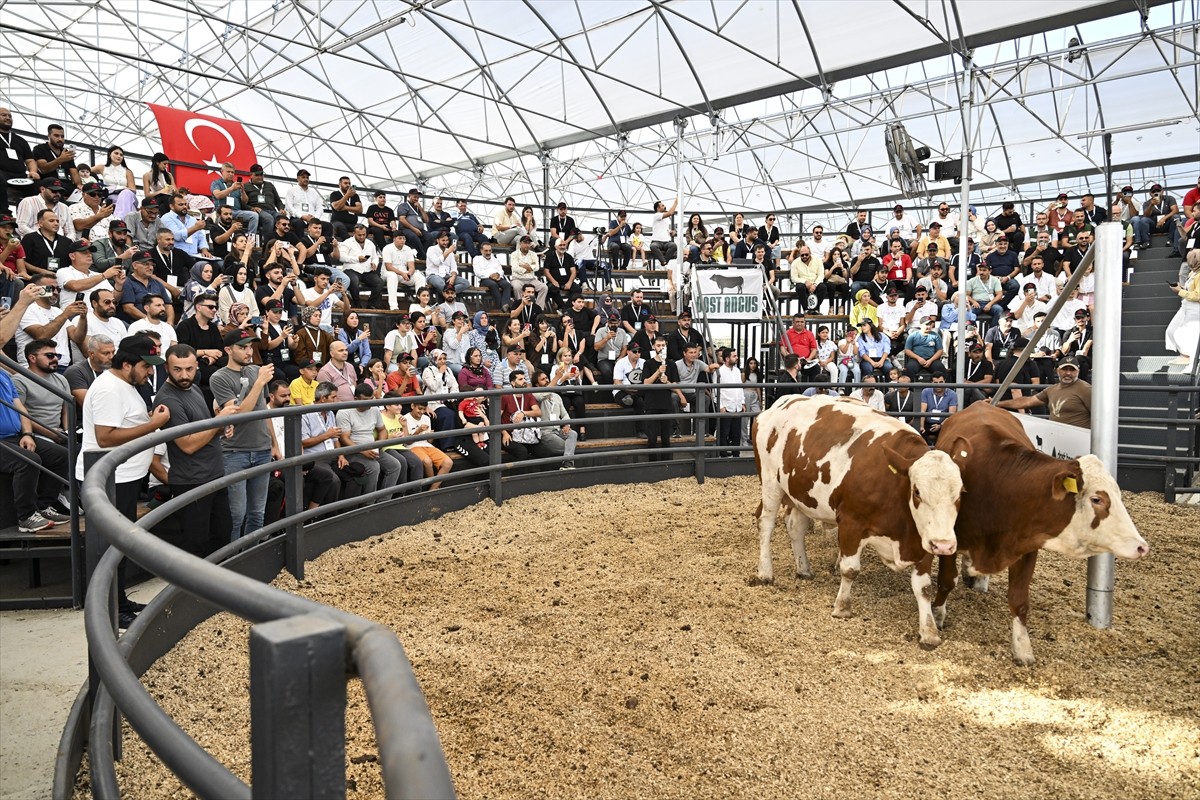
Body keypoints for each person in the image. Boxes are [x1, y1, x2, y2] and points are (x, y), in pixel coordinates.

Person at [76, 335, 171, 627]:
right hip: (111, 480)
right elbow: (105, 437)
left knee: (121, 544)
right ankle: (111, 608)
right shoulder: (108, 389)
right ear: (126, 363)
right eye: (146, 366)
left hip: (126, 478)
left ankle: (118, 600)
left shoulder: (126, 385)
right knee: (112, 545)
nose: (150, 372)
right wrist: (153, 425)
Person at [155, 344, 238, 557]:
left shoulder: (192, 387)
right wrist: (219, 420)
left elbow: (203, 428)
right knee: (196, 544)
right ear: (166, 368)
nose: (184, 375)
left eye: (189, 369)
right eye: (177, 369)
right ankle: (191, 590)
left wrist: (220, 429)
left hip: (213, 474)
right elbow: (187, 445)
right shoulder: (168, 399)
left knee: (221, 536)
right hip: (191, 480)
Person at [209, 329, 276, 540]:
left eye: (250, 347)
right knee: (236, 515)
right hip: (235, 452)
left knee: (257, 512)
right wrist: (258, 383)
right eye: (242, 347)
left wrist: (274, 443)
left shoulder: (256, 370)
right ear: (228, 350)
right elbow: (238, 414)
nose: (248, 352)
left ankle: (252, 555)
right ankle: (234, 560)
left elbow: (263, 409)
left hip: (262, 448)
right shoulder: (219, 377)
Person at [0, 353, 71, 534]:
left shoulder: (5, 375)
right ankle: (26, 516)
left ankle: (44, 506)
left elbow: (20, 408)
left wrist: (27, 433)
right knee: (28, 461)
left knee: (61, 455)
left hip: (16, 435)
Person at [337, 384, 405, 497]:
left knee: (395, 465)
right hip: (353, 450)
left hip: (373, 447)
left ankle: (384, 500)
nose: (369, 403)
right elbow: (344, 438)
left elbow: (382, 430)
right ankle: (368, 503)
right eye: (365, 400)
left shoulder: (374, 409)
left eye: (371, 399)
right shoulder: (344, 412)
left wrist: (379, 444)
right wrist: (363, 450)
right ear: (355, 399)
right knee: (374, 467)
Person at [15, 273, 87, 369]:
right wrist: (65, 314)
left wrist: (83, 317)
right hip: (34, 368)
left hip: (62, 366)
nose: (56, 292)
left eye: (58, 289)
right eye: (51, 288)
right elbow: (41, 336)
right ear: (36, 289)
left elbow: (77, 338)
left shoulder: (58, 311)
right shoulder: (27, 309)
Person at [998, 357, 1091, 428]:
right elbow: (1027, 401)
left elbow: (1101, 418)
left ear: (1078, 371)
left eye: (1072, 370)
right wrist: (997, 403)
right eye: (1065, 369)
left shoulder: (1086, 389)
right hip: (1056, 437)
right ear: (1057, 371)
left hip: (1079, 438)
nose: (1068, 373)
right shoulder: (1051, 390)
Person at [400, 400, 453, 488]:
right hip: (412, 446)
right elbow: (407, 442)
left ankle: (432, 489)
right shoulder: (405, 418)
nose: (421, 412)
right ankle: (434, 487)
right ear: (412, 406)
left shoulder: (426, 418)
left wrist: (431, 435)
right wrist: (418, 431)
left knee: (448, 462)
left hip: (427, 445)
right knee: (427, 461)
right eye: (419, 408)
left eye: (424, 409)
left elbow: (429, 441)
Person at [1165, 249, 1199, 367]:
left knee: (1186, 332)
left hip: (1195, 309)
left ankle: (1189, 357)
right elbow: (1190, 291)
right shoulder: (1193, 273)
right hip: (1186, 305)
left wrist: (1180, 291)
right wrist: (1181, 289)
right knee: (1171, 330)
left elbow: (1197, 296)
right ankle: (1184, 355)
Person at [713, 347, 744, 457]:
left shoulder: (737, 370)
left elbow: (740, 387)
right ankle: (723, 455)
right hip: (726, 406)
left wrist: (742, 402)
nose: (737, 358)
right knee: (724, 433)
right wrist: (721, 406)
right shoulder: (719, 372)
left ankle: (736, 455)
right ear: (727, 359)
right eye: (734, 356)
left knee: (736, 433)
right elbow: (715, 391)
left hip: (737, 406)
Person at [473, 241, 514, 311]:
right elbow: (477, 272)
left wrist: (498, 275)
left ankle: (505, 304)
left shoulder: (495, 260)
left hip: (497, 278)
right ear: (481, 250)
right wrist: (490, 275)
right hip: (485, 279)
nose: (488, 252)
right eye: (486, 251)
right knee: (493, 284)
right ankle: (500, 307)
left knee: (507, 284)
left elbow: (501, 271)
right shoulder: (477, 259)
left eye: (490, 250)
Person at [918, 374, 957, 444]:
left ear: (945, 381)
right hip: (927, 422)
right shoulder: (926, 391)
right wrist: (921, 426)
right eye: (935, 383)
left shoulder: (952, 394)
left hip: (944, 424)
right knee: (918, 438)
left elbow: (951, 414)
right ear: (931, 383)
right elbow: (922, 410)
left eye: (941, 382)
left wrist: (940, 425)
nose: (938, 385)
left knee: (948, 440)